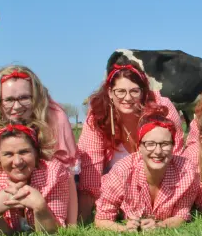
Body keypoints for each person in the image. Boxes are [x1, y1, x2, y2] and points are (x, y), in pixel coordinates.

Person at [0, 65, 78, 232]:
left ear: (36, 97)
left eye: (25, 98)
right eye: (9, 100)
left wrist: (72, 224)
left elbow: (66, 171)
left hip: (48, 177)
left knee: (49, 221)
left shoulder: (55, 116)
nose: (17, 107)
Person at [78, 57, 184, 222]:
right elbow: (91, 172)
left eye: (134, 91)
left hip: (158, 186)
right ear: (110, 93)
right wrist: (82, 220)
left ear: (143, 92)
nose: (127, 98)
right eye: (120, 91)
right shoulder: (98, 117)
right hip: (113, 188)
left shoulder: (162, 108)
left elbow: (175, 158)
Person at [94, 105, 200, 232]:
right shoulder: (122, 171)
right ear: (139, 147)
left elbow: (181, 215)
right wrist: (123, 229)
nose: (158, 151)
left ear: (173, 146)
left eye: (165, 144)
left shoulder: (186, 171)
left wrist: (160, 226)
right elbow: (101, 219)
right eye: (150, 144)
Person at [0, 121, 71, 236]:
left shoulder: (54, 173)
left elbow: (55, 233)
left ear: (36, 153)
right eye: (8, 154)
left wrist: (40, 207)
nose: (17, 161)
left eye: (24, 152)